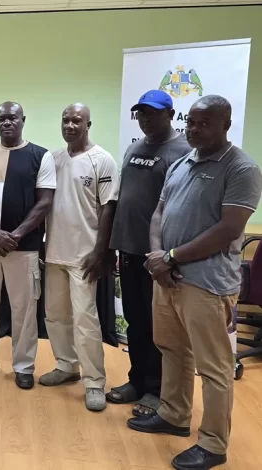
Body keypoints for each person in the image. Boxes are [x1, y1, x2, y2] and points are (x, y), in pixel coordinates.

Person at [128, 95, 262, 470]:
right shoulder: (184, 161)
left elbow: (228, 229)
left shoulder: (241, 168)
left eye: (204, 124)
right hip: (167, 277)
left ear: (226, 125)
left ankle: (214, 444)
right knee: (171, 348)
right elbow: (159, 212)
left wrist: (171, 257)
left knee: (215, 367)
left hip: (206, 283)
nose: (194, 129)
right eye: (192, 123)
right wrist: (158, 258)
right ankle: (174, 414)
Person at [106, 90, 191, 415]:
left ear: (171, 115)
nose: (145, 119)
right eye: (140, 113)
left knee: (160, 330)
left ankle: (156, 392)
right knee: (136, 324)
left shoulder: (183, 151)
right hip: (128, 252)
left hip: (158, 258)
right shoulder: (133, 149)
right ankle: (137, 381)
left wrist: (167, 256)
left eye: (152, 113)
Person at [0, 102, 55, 388]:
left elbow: (44, 202)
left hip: (24, 246)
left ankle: (24, 366)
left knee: (24, 309)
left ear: (22, 120)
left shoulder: (41, 156)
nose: (7, 122)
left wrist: (14, 235)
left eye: (12, 118)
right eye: (1, 119)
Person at [41, 103, 118, 412]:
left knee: (85, 320)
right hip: (54, 252)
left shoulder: (103, 160)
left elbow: (108, 208)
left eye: (77, 120)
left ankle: (94, 382)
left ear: (88, 124)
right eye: (66, 120)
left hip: (85, 256)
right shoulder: (53, 159)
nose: (70, 125)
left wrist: (101, 251)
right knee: (54, 316)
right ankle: (66, 365)